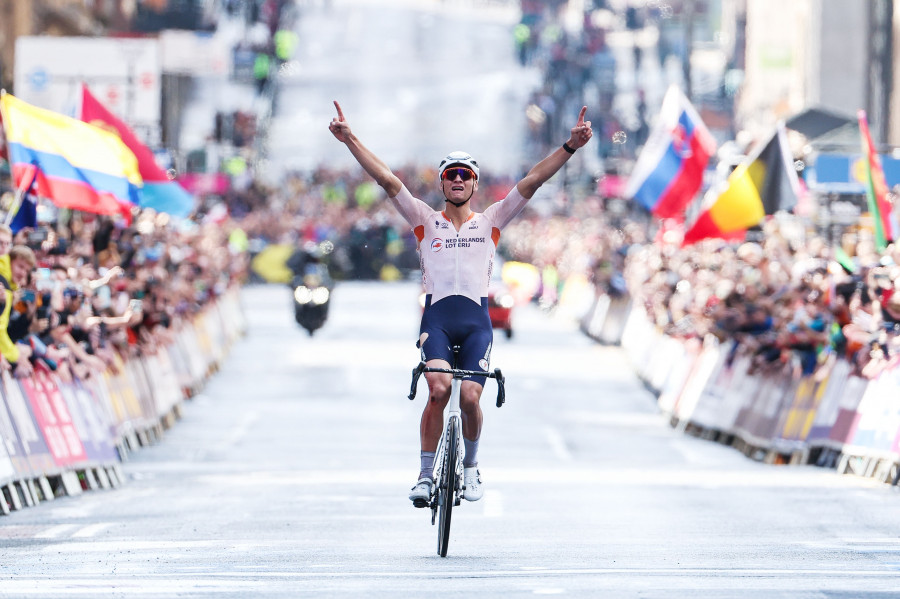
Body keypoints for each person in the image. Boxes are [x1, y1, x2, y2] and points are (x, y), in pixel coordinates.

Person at [329, 100, 592, 506]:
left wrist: (569, 147)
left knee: (469, 397)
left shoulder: (491, 221)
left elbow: (533, 179)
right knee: (438, 389)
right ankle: (423, 475)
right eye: (450, 175)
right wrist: (350, 140)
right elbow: (386, 179)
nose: (456, 180)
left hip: (475, 325)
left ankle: (470, 469)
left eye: (463, 175)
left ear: (473, 184)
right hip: (436, 321)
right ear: (442, 184)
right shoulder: (423, 220)